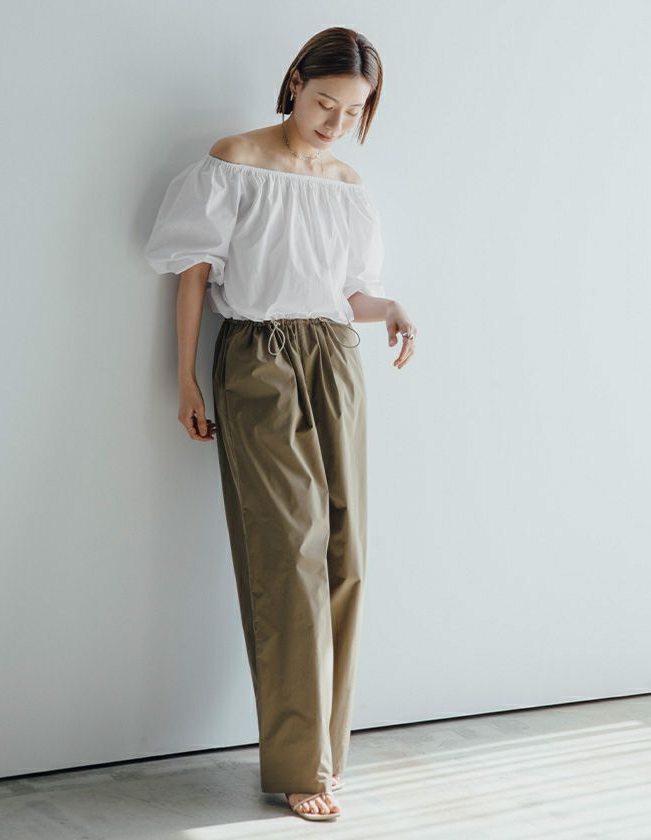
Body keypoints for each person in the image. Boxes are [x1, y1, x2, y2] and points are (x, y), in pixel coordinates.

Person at [144, 26, 417, 823]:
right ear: (295, 81)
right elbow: (193, 276)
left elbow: (348, 294)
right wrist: (186, 378)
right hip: (257, 354)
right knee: (290, 552)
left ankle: (326, 751)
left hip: (333, 356)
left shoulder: (347, 185)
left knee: (345, 553)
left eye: (354, 111)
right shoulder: (233, 161)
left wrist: (391, 308)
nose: (336, 122)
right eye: (325, 102)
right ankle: (300, 766)